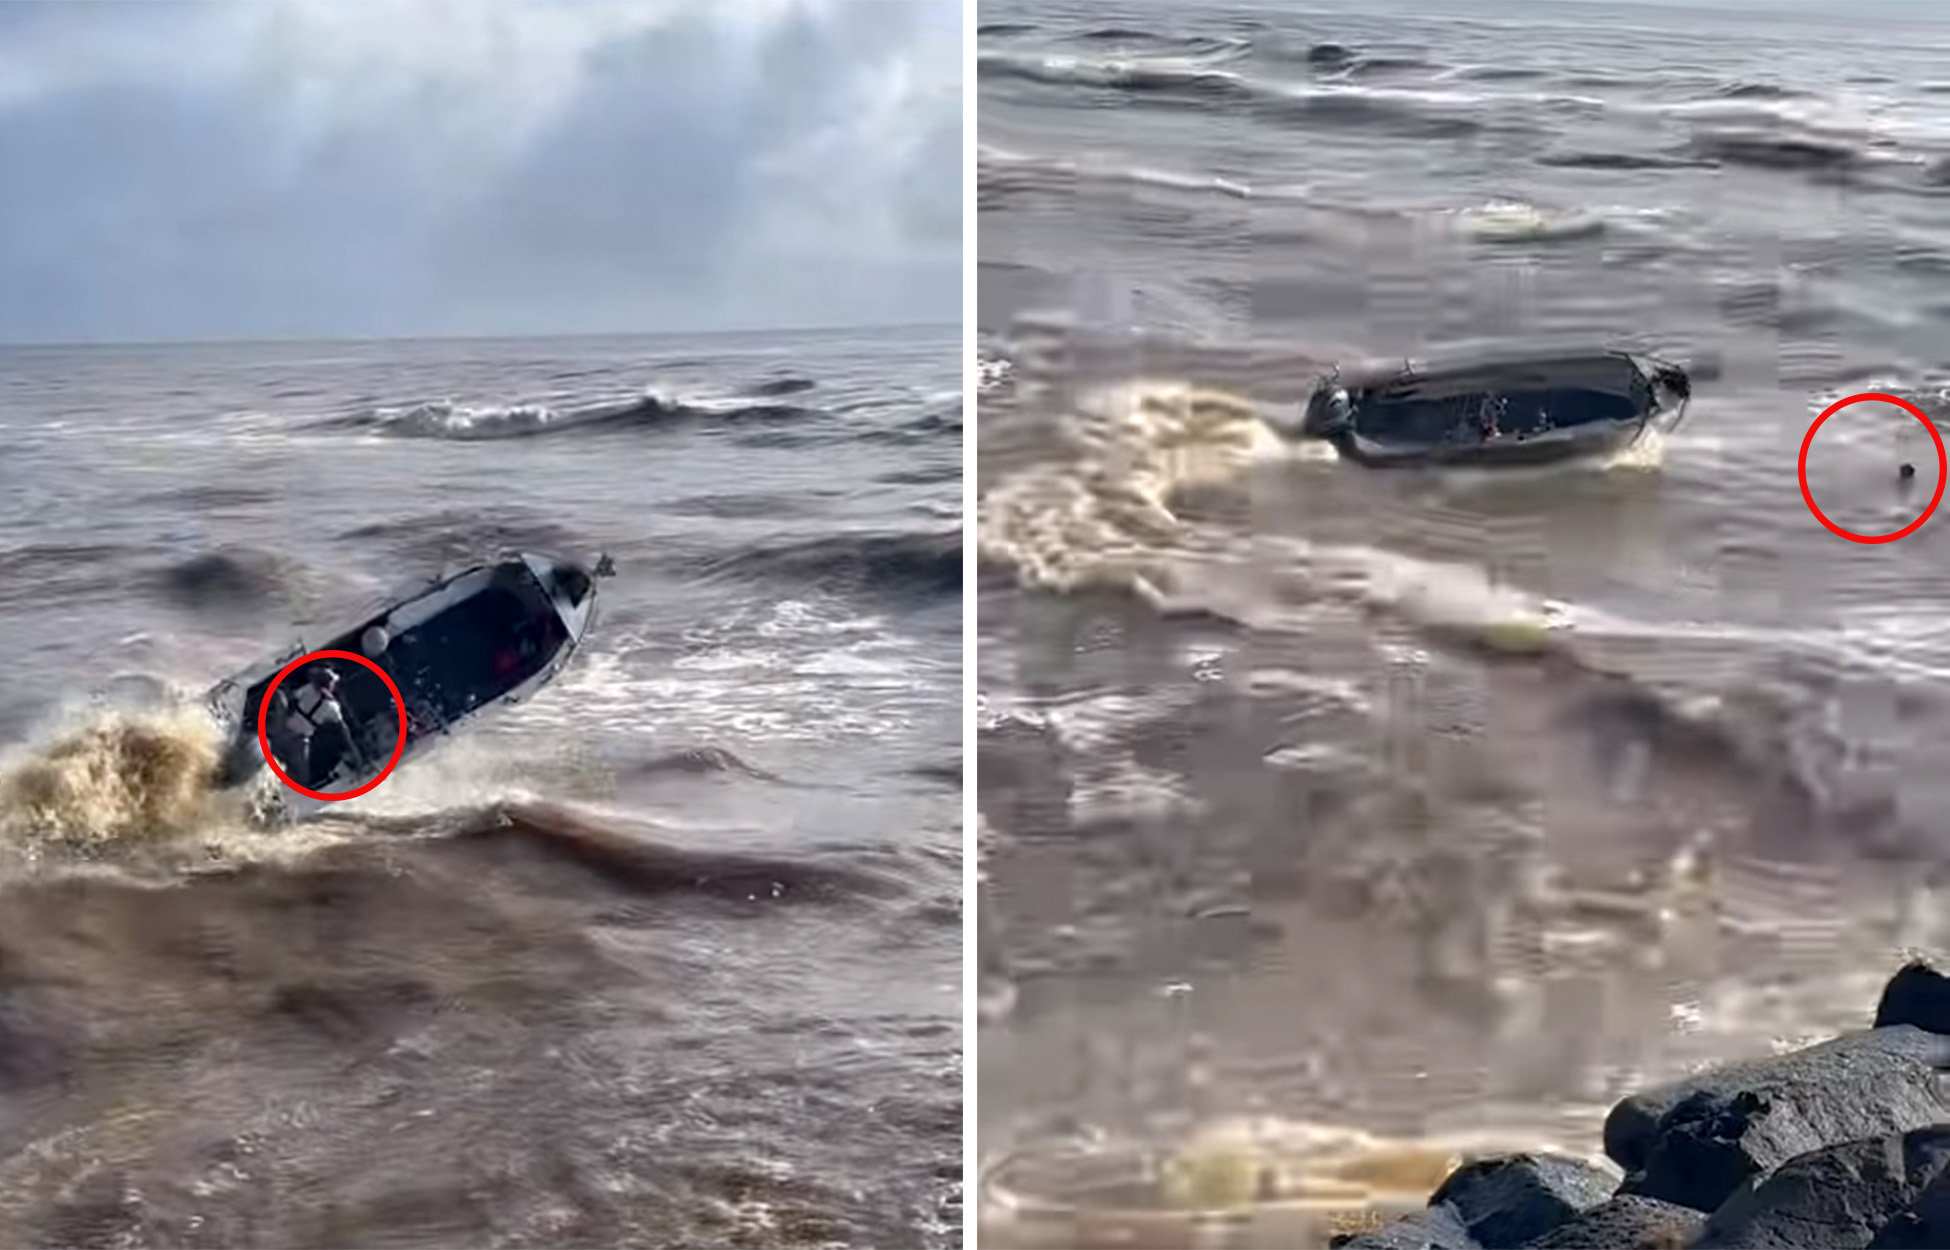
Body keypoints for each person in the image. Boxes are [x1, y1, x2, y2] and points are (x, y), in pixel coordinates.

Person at [284, 666, 366, 787]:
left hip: (286, 728)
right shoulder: (333, 707)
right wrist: (357, 756)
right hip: (300, 739)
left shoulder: (309, 689)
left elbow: (291, 697)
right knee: (301, 779)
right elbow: (344, 732)